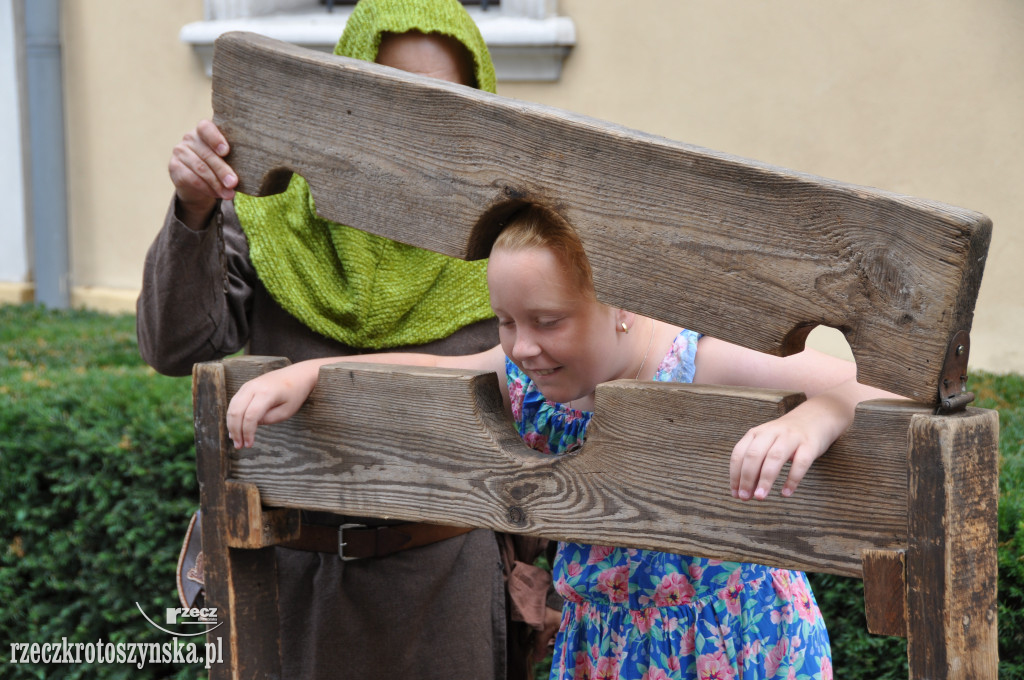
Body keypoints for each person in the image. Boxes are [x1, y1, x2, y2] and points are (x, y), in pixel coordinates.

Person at [226, 202, 893, 679]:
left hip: (733, 645)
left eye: (547, 321)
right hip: (600, 644)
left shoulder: (699, 361)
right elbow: (434, 371)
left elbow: (879, 390)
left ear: (625, 301)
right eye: (506, 322)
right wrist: (312, 373)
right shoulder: (520, 369)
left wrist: (816, 417)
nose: (523, 347)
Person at [138, 1, 556, 678]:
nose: (415, 128)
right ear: (349, 92)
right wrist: (194, 212)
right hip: (291, 580)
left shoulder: (505, 244)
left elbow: (556, 390)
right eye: (390, 96)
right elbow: (174, 347)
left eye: (443, 104)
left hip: (445, 589)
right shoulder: (278, 222)